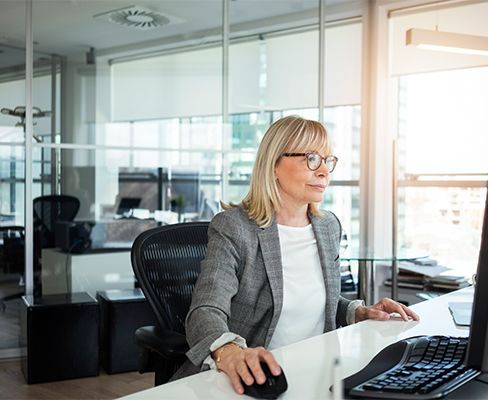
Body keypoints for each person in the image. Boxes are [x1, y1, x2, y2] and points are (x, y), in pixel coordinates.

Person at [171, 115, 419, 394]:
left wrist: (359, 312)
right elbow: (206, 309)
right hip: (256, 379)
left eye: (328, 160)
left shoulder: (328, 226)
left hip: (319, 371)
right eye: (312, 159)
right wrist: (230, 354)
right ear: (274, 165)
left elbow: (315, 300)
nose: (324, 171)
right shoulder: (235, 227)